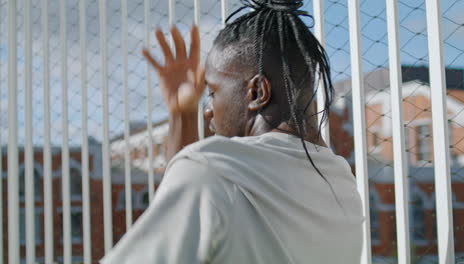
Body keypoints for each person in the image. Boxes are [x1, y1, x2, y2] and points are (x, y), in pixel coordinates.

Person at [101, 0, 363, 263]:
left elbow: (202, 182)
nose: (208, 110)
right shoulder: (342, 183)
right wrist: (183, 113)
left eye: (213, 92)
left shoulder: (211, 171)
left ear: (257, 92)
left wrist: (185, 124)